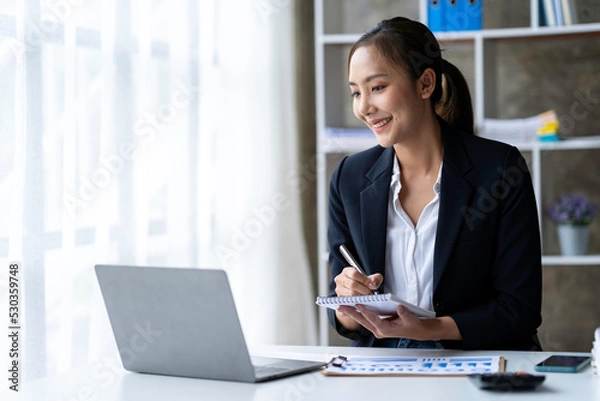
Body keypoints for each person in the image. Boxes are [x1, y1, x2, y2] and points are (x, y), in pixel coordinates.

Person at [327, 16, 542, 350]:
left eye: (378, 88)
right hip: (385, 367)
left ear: (425, 84)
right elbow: (344, 317)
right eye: (356, 93)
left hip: (476, 364)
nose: (364, 107)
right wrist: (348, 303)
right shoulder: (349, 178)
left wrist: (428, 329)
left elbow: (519, 309)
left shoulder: (499, 169)